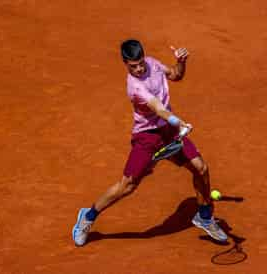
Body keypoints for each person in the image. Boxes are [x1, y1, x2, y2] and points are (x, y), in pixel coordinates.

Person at [72, 39, 227, 246]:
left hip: (169, 132)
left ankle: (205, 216)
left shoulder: (153, 64)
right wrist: (178, 121)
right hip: (147, 136)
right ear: (125, 64)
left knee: (201, 168)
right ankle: (88, 216)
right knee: (127, 186)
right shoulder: (134, 87)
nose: (138, 69)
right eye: (132, 66)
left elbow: (175, 75)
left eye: (140, 63)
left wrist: (181, 62)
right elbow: (158, 109)